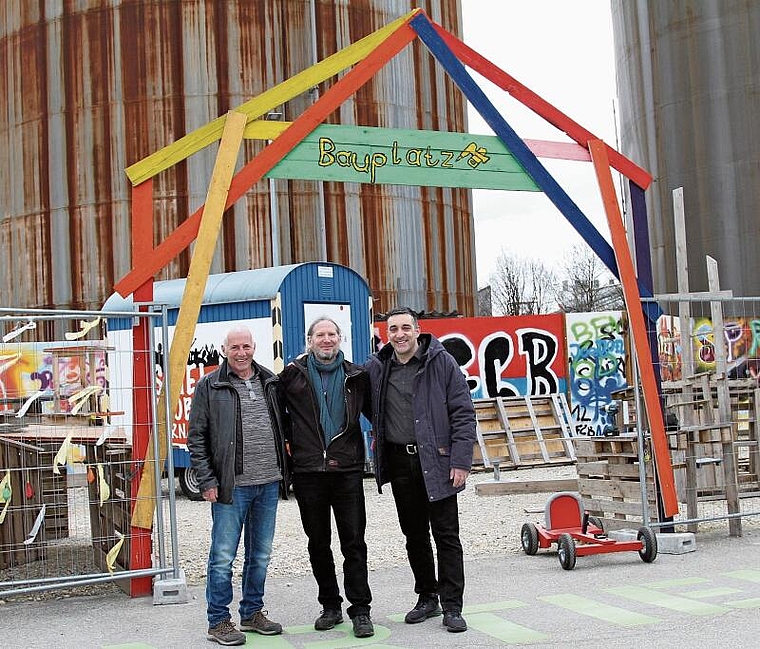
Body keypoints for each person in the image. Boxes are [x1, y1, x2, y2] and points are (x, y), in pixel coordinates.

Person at [364, 306, 476, 633]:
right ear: (387, 334)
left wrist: (460, 461)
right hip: (400, 462)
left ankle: (452, 606)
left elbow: (463, 413)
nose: (399, 334)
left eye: (405, 328)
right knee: (414, 535)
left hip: (438, 462)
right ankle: (428, 597)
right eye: (393, 329)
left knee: (446, 536)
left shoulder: (441, 363)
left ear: (417, 330)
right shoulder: (378, 366)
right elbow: (367, 401)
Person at [273, 317, 375, 638]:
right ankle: (330, 605)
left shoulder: (357, 376)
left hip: (346, 470)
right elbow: (276, 414)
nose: (327, 339)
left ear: (340, 338)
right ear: (310, 340)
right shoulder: (292, 376)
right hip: (309, 473)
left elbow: (378, 414)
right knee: (318, 543)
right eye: (321, 334)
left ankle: (360, 609)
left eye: (332, 334)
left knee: (354, 543)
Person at [187, 326, 289, 646]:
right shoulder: (210, 386)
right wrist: (207, 480)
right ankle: (218, 621)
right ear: (224, 349)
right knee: (223, 556)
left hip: (268, 483)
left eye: (246, 346)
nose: (241, 353)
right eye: (235, 348)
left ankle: (252, 612)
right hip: (232, 487)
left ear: (254, 347)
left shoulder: (270, 381)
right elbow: (197, 437)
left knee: (260, 554)